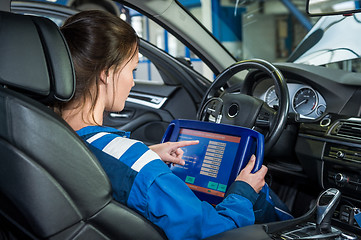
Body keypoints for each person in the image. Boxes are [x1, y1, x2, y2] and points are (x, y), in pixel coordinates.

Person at [56, 10, 292, 240]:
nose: (133, 81)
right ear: (107, 74)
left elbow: (102, 163)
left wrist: (146, 154)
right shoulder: (136, 164)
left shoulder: (51, 133)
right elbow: (211, 230)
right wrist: (244, 192)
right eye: (132, 70)